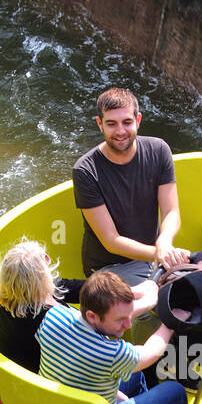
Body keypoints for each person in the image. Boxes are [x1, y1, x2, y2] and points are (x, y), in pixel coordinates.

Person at [36, 270, 189, 404]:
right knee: (175, 392)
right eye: (120, 320)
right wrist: (172, 321)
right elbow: (152, 352)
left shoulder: (53, 317)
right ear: (92, 316)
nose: (128, 325)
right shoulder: (111, 353)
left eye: (129, 315)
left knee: (136, 375)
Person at [72, 87, 191, 288]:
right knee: (166, 300)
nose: (120, 131)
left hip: (150, 257)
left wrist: (164, 243)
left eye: (127, 122)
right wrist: (159, 252)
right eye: (111, 124)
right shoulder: (85, 170)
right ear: (100, 124)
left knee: (197, 289)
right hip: (108, 269)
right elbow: (111, 240)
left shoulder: (159, 150)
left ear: (138, 120)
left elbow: (171, 212)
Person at [0, 240, 156, 374]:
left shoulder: (8, 298)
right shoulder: (51, 321)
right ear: (39, 277)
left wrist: (132, 291)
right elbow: (100, 323)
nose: (48, 260)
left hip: (15, 368)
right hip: (41, 381)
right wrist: (149, 301)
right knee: (139, 376)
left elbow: (77, 289)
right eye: (44, 259)